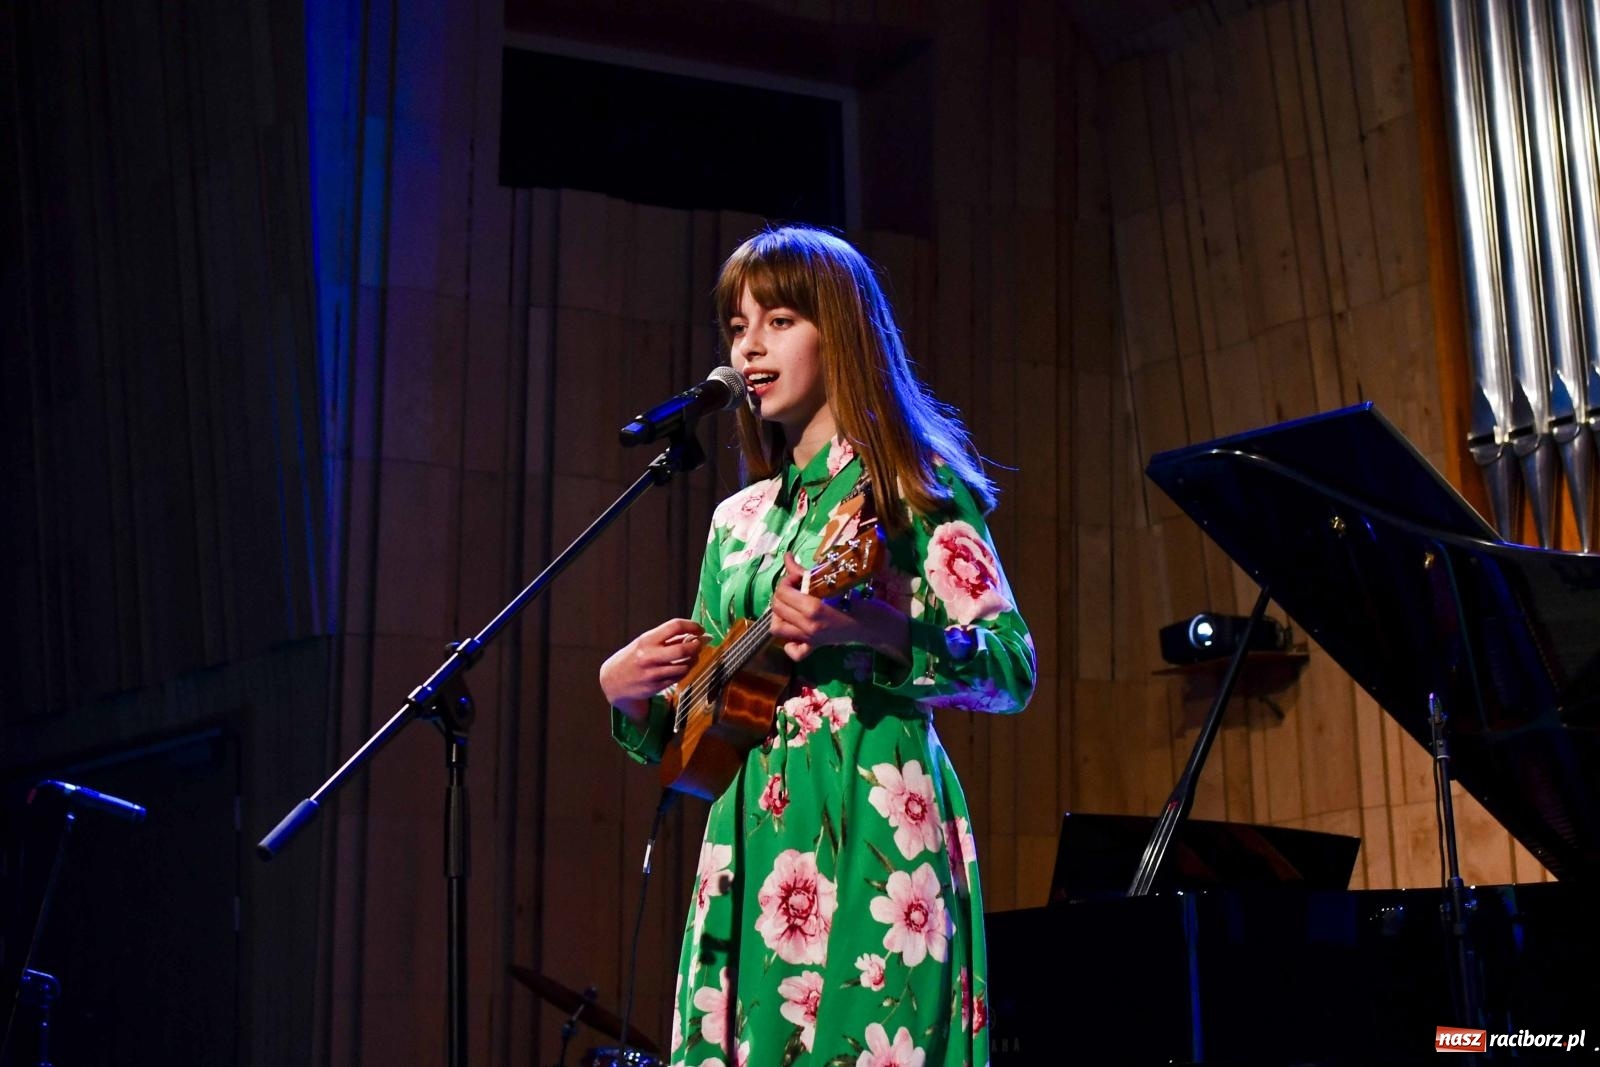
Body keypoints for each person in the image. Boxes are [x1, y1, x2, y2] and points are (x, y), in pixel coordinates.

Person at [599, 226, 1034, 1067]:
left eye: (779, 320)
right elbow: (702, 728)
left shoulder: (912, 487)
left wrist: (881, 629)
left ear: (842, 333)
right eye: (737, 326)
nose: (750, 345)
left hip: (871, 804)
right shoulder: (738, 522)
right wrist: (630, 696)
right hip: (754, 838)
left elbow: (1011, 667)